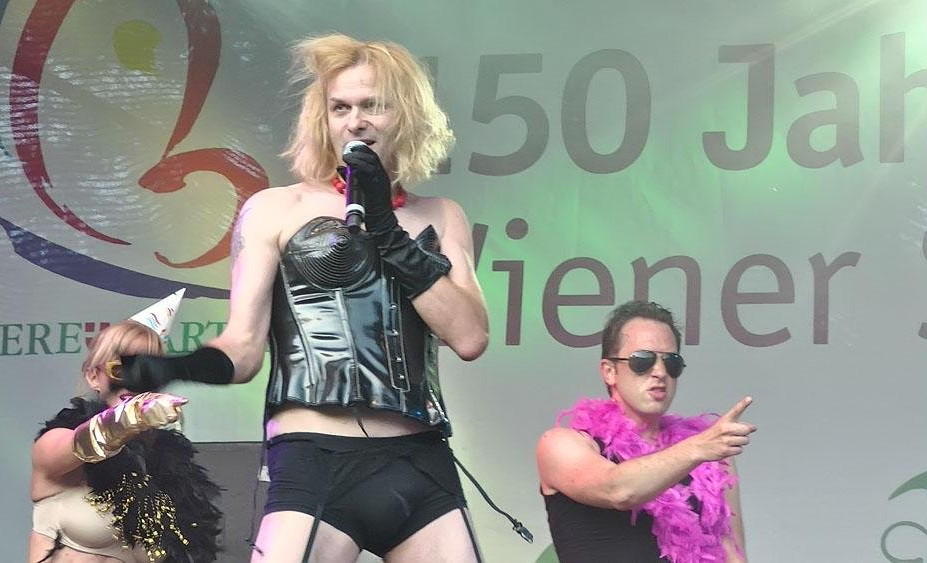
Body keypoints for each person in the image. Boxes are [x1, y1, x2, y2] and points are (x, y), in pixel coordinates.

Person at [117, 33, 494, 562]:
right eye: (340, 107)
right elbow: (244, 348)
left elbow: (470, 337)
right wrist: (174, 368)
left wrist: (387, 231)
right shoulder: (276, 208)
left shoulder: (441, 215)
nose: (355, 122)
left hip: (419, 459)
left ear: (406, 115)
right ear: (324, 118)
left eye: (372, 106)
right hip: (317, 458)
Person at [536, 301, 755, 563]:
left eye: (671, 362)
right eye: (643, 360)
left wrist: (704, 451)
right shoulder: (560, 444)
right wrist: (697, 448)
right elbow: (618, 490)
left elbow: (732, 553)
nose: (660, 372)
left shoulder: (710, 457)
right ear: (609, 371)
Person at [29, 318, 222, 563]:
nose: (133, 382)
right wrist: (130, 417)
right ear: (93, 376)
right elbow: (83, 444)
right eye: (120, 371)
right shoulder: (58, 441)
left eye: (146, 374)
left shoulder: (168, 467)